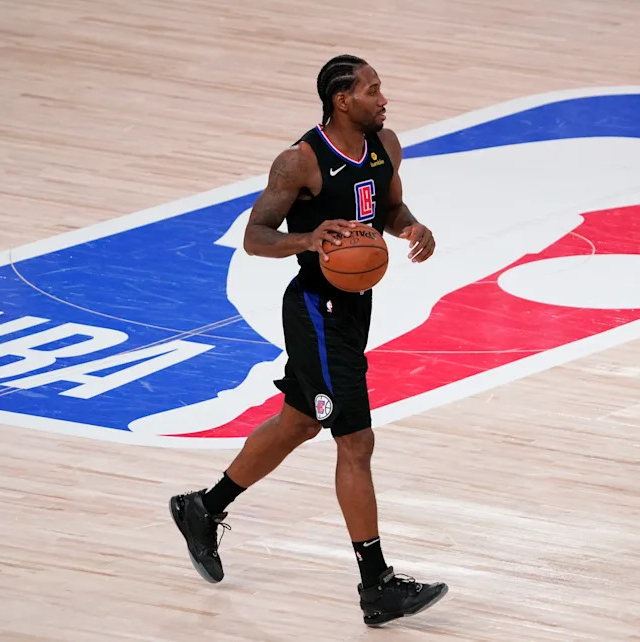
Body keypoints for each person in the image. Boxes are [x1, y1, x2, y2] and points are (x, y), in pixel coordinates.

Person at [169, 54, 447, 627]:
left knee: (298, 422)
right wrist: (308, 238)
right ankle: (377, 585)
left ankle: (203, 508)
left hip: (355, 308)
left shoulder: (386, 145)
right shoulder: (300, 161)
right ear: (342, 101)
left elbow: (390, 208)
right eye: (372, 90)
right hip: (316, 312)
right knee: (356, 441)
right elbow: (255, 236)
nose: (384, 99)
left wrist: (412, 227)